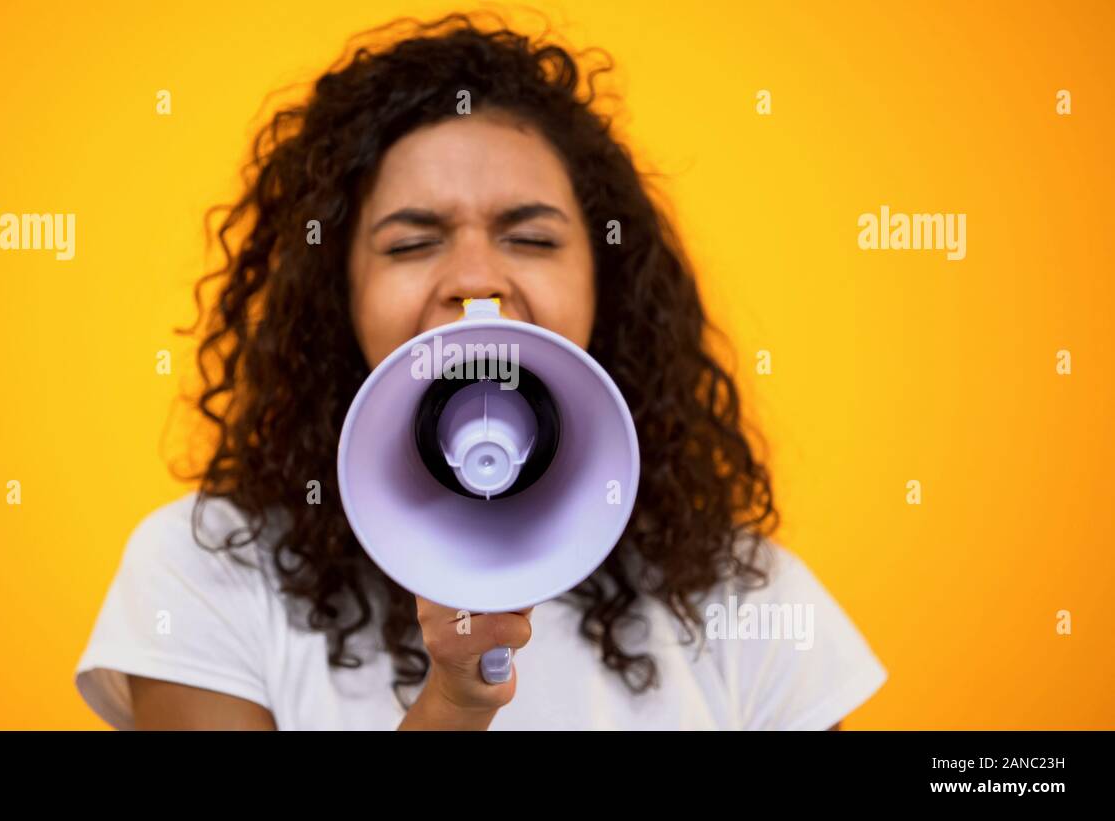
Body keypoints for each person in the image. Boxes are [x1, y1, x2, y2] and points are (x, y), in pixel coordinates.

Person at [75, 12, 887, 730]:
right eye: (410, 242)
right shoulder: (207, 567)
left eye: (530, 238)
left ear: (606, 280)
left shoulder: (746, 598)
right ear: (338, 292)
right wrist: (454, 707)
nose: (476, 279)